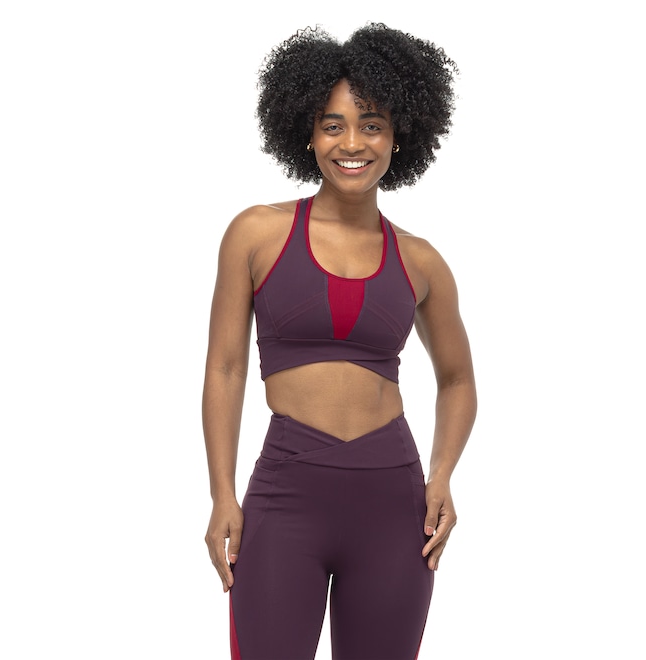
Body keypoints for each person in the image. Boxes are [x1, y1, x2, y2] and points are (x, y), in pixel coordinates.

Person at [203, 23, 476, 660]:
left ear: (399, 135)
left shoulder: (421, 261)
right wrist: (221, 494)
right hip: (285, 496)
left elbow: (458, 378)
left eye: (371, 125)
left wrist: (441, 474)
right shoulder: (256, 233)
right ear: (307, 132)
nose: (352, 143)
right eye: (333, 125)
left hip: (395, 506)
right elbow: (225, 368)